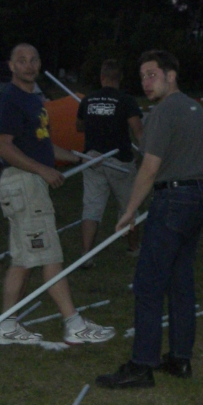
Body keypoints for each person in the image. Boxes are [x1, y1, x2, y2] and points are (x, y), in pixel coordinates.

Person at [96, 50, 203, 389]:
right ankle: (180, 359)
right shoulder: (195, 109)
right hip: (197, 200)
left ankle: (142, 366)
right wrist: (187, 177)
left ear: (171, 75)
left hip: (173, 202)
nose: (146, 83)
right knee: (180, 282)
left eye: (152, 75)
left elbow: (149, 169)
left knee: (148, 285)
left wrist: (130, 211)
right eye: (142, 77)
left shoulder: (163, 112)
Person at [0, 43, 116, 346]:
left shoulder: (34, 100)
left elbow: (42, 147)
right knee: (50, 255)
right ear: (11, 66)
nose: (28, 65)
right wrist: (43, 171)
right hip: (24, 184)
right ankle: (73, 324)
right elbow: (3, 146)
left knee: (23, 259)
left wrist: (79, 157)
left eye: (33, 60)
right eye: (21, 60)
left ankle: (6, 326)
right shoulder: (10, 99)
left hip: (28, 183)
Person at [76, 59, 144, 265]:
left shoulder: (88, 100)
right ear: (120, 78)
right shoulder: (126, 100)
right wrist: (148, 153)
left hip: (92, 159)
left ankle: (86, 255)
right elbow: (138, 130)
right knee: (129, 206)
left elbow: (79, 126)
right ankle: (133, 248)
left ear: (102, 77)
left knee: (92, 207)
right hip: (120, 161)